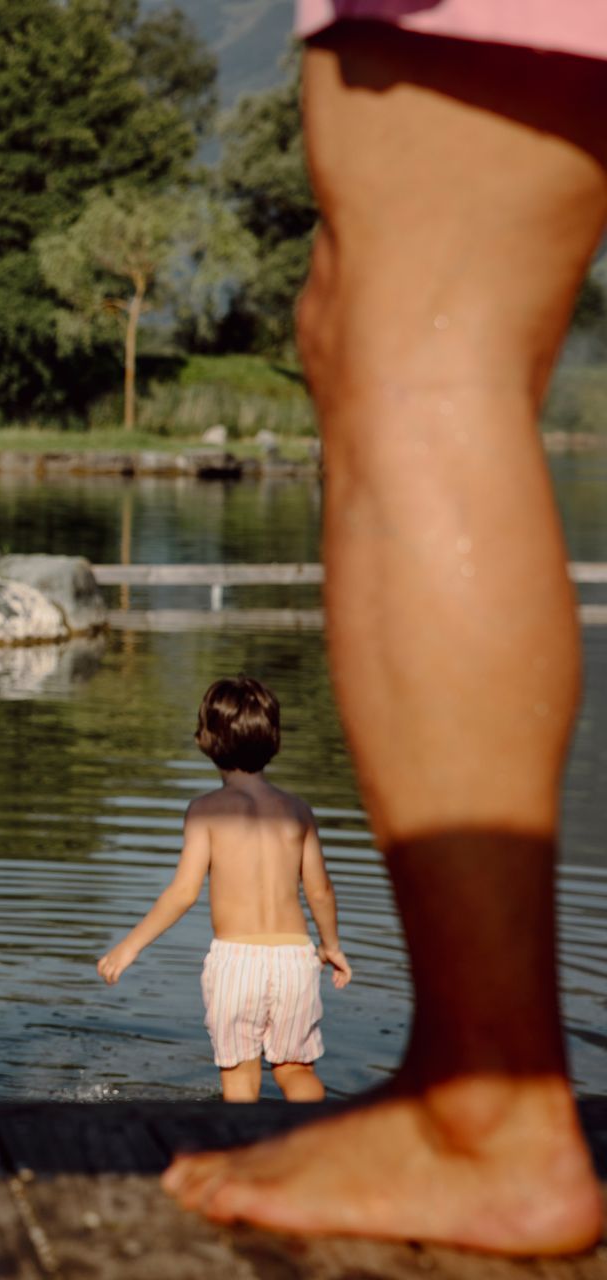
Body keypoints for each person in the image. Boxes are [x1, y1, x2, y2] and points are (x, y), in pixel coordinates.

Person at [161, 6, 607, 1254]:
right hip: (289, 966)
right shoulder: (276, 810)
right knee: (365, 321)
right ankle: (469, 1082)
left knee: (422, 338)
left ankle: (491, 1114)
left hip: (248, 969)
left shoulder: (218, 807)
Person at [98, 677, 352, 1103]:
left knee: (239, 1077)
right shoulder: (297, 810)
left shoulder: (205, 812)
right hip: (294, 958)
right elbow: (321, 891)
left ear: (205, 739)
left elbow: (182, 893)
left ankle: (244, 1156)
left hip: (236, 960)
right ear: (274, 740)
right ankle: (319, 1147)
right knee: (295, 1068)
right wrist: (332, 946)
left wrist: (129, 947)